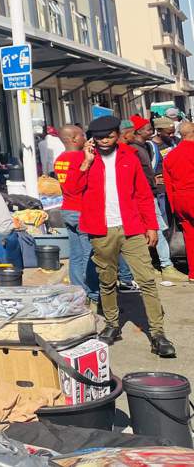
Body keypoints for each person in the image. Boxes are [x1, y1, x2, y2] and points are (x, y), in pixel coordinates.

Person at [65, 115, 174, 357]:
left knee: (146, 279)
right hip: (101, 229)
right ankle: (113, 325)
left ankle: (158, 333)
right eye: (99, 137)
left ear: (118, 134)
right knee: (107, 279)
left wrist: (151, 225)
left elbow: (143, 194)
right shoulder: (83, 159)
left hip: (132, 227)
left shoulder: (129, 157)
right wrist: (86, 162)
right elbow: (71, 191)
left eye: (109, 136)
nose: (104, 141)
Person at [128, 115, 184, 286]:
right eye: (147, 129)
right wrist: (152, 182)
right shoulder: (134, 149)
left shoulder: (145, 146)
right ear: (137, 131)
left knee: (158, 229)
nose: (150, 131)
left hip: (149, 193)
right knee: (157, 229)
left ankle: (157, 265)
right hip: (143, 196)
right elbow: (136, 174)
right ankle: (166, 267)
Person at [55, 124, 99, 307]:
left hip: (67, 210)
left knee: (75, 255)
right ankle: (93, 294)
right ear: (73, 138)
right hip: (82, 210)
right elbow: (78, 185)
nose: (85, 138)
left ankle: (78, 292)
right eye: (82, 135)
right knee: (90, 254)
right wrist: (88, 161)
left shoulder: (60, 159)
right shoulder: (81, 158)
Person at [163, 121, 194, 284]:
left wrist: (174, 208)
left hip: (180, 199)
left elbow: (168, 185)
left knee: (190, 236)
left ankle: (193, 272)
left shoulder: (170, 156)